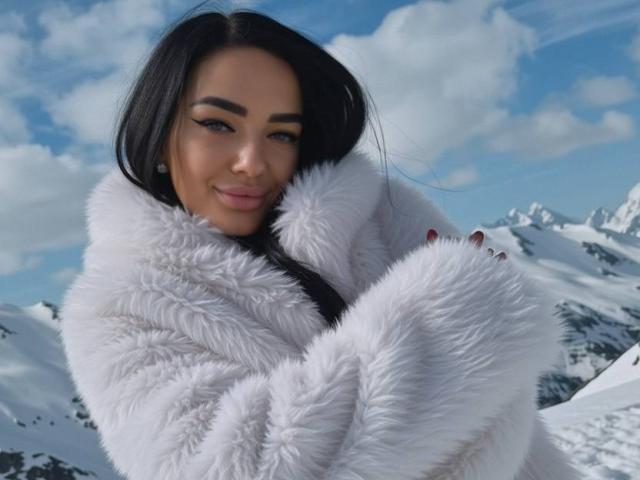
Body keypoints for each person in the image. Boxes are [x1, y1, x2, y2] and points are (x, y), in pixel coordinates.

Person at [59, 8, 580, 480]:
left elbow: (510, 412)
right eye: (217, 124)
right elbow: (235, 466)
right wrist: (454, 313)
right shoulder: (117, 307)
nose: (252, 162)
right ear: (159, 134)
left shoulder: (378, 214)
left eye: (281, 134)